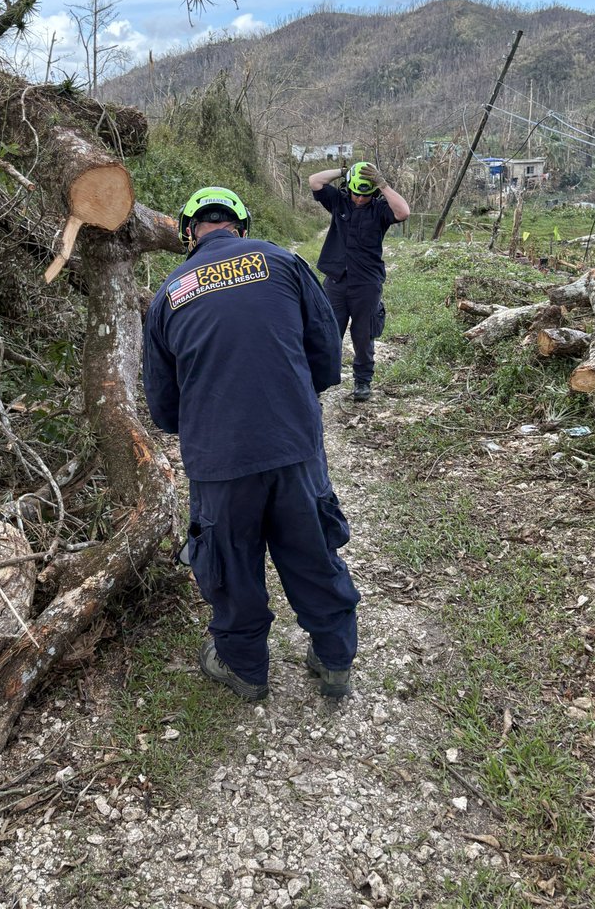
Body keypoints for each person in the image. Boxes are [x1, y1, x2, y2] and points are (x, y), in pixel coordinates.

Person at [142, 186, 360, 702]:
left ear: (187, 231)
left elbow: (163, 407)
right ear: (241, 225)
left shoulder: (167, 294)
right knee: (311, 550)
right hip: (293, 445)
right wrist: (297, 399)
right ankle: (333, 659)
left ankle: (244, 669)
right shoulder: (282, 261)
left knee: (229, 563)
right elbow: (326, 349)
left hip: (218, 459)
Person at [309, 161, 410, 402]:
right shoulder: (339, 201)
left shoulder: (380, 209)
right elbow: (315, 180)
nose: (359, 199)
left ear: (372, 192)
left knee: (363, 335)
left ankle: (362, 382)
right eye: (356, 193)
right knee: (329, 333)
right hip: (336, 280)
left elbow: (403, 212)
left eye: (365, 195)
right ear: (349, 188)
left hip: (367, 283)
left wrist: (382, 183)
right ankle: (318, 383)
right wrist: (344, 171)